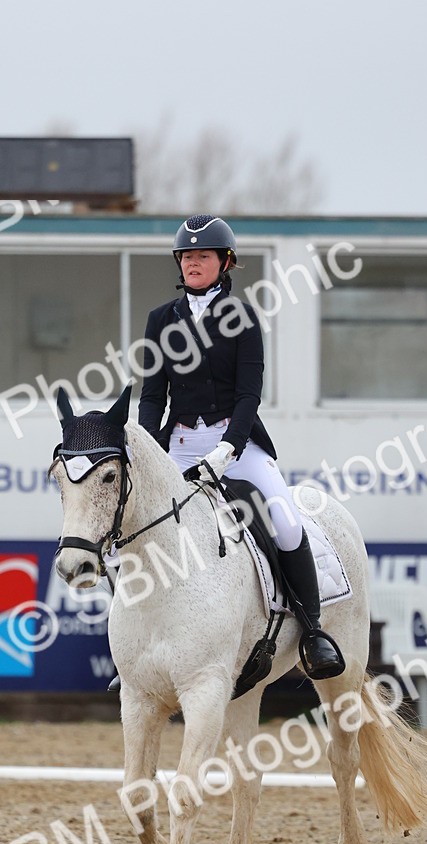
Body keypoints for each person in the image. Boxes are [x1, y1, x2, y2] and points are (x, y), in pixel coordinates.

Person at [133, 213, 345, 682]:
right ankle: (135, 646)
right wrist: (148, 450)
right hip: (182, 444)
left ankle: (312, 633)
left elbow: (250, 394)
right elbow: (152, 396)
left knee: (287, 524)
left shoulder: (243, 318)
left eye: (202, 256)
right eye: (186, 256)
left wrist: (228, 448)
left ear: (224, 262)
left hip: (237, 440)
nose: (192, 263)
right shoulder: (159, 320)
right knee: (138, 527)